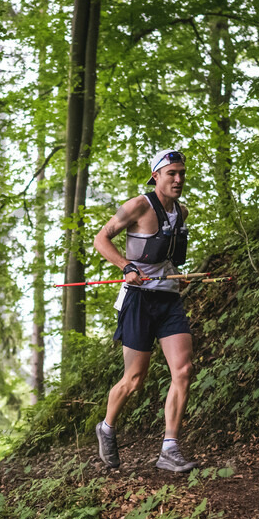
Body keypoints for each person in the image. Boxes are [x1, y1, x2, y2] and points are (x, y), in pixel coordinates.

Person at [92, 148, 197, 472]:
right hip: (138, 300)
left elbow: (168, 258)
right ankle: (107, 427)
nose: (178, 179)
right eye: (171, 173)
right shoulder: (138, 206)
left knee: (183, 370)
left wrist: (182, 276)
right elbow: (101, 239)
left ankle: (169, 448)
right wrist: (126, 267)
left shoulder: (182, 212)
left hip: (168, 299)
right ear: (156, 176)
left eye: (181, 173)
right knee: (135, 379)